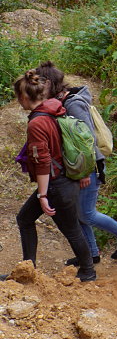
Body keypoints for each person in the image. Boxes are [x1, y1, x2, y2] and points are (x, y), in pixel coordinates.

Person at [35, 62, 117, 266]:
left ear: (49, 83)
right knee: (79, 214)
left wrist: (84, 173)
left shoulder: (73, 104)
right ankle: (91, 253)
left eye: (39, 84)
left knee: (86, 214)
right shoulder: (60, 102)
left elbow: (87, 140)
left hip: (88, 167)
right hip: (78, 167)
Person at [13, 71, 96, 282]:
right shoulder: (55, 110)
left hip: (56, 184)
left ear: (23, 97)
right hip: (65, 180)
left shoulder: (37, 123)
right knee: (25, 219)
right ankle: (27, 269)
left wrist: (42, 195)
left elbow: (43, 162)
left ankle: (88, 271)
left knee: (71, 229)